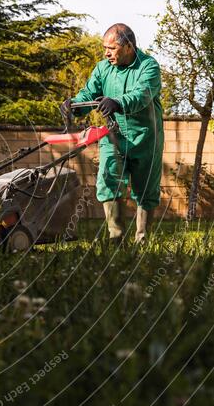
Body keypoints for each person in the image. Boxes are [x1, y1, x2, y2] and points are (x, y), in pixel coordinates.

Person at [61, 23, 164, 244]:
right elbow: (88, 92)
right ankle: (116, 238)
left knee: (145, 189)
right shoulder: (103, 68)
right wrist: (75, 105)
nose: (106, 53)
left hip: (145, 137)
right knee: (108, 180)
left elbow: (142, 95)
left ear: (128, 46)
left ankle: (143, 240)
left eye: (112, 48)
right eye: (104, 48)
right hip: (114, 136)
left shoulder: (149, 67)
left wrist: (117, 102)